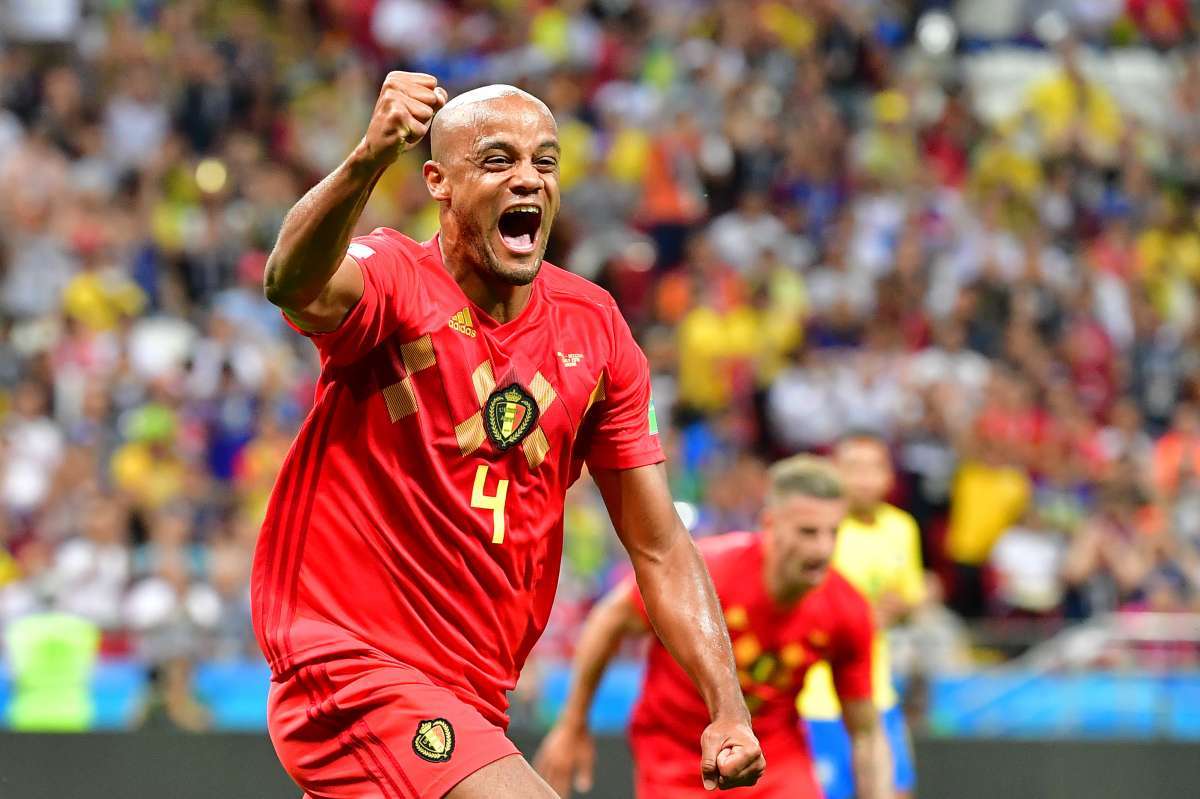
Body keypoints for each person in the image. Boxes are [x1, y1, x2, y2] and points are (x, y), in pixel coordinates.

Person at [252, 72, 764, 799]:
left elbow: (658, 543)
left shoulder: (596, 329)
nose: (528, 178)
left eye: (544, 162)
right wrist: (368, 157)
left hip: (472, 692)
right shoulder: (397, 280)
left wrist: (727, 704)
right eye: (497, 161)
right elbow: (292, 282)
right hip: (353, 663)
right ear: (439, 181)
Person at [535, 456, 892, 799]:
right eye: (808, 532)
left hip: (772, 761)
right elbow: (609, 619)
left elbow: (866, 733)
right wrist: (573, 723)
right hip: (678, 757)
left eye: (833, 532)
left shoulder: (847, 608)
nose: (823, 548)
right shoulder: (710, 573)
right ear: (770, 524)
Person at [799, 432, 922, 799]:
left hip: (877, 691)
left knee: (897, 791)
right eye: (854, 468)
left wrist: (902, 608)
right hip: (819, 697)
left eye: (874, 468)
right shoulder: (818, 530)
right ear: (835, 473)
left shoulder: (901, 529)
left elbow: (909, 598)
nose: (864, 478)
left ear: (889, 476)